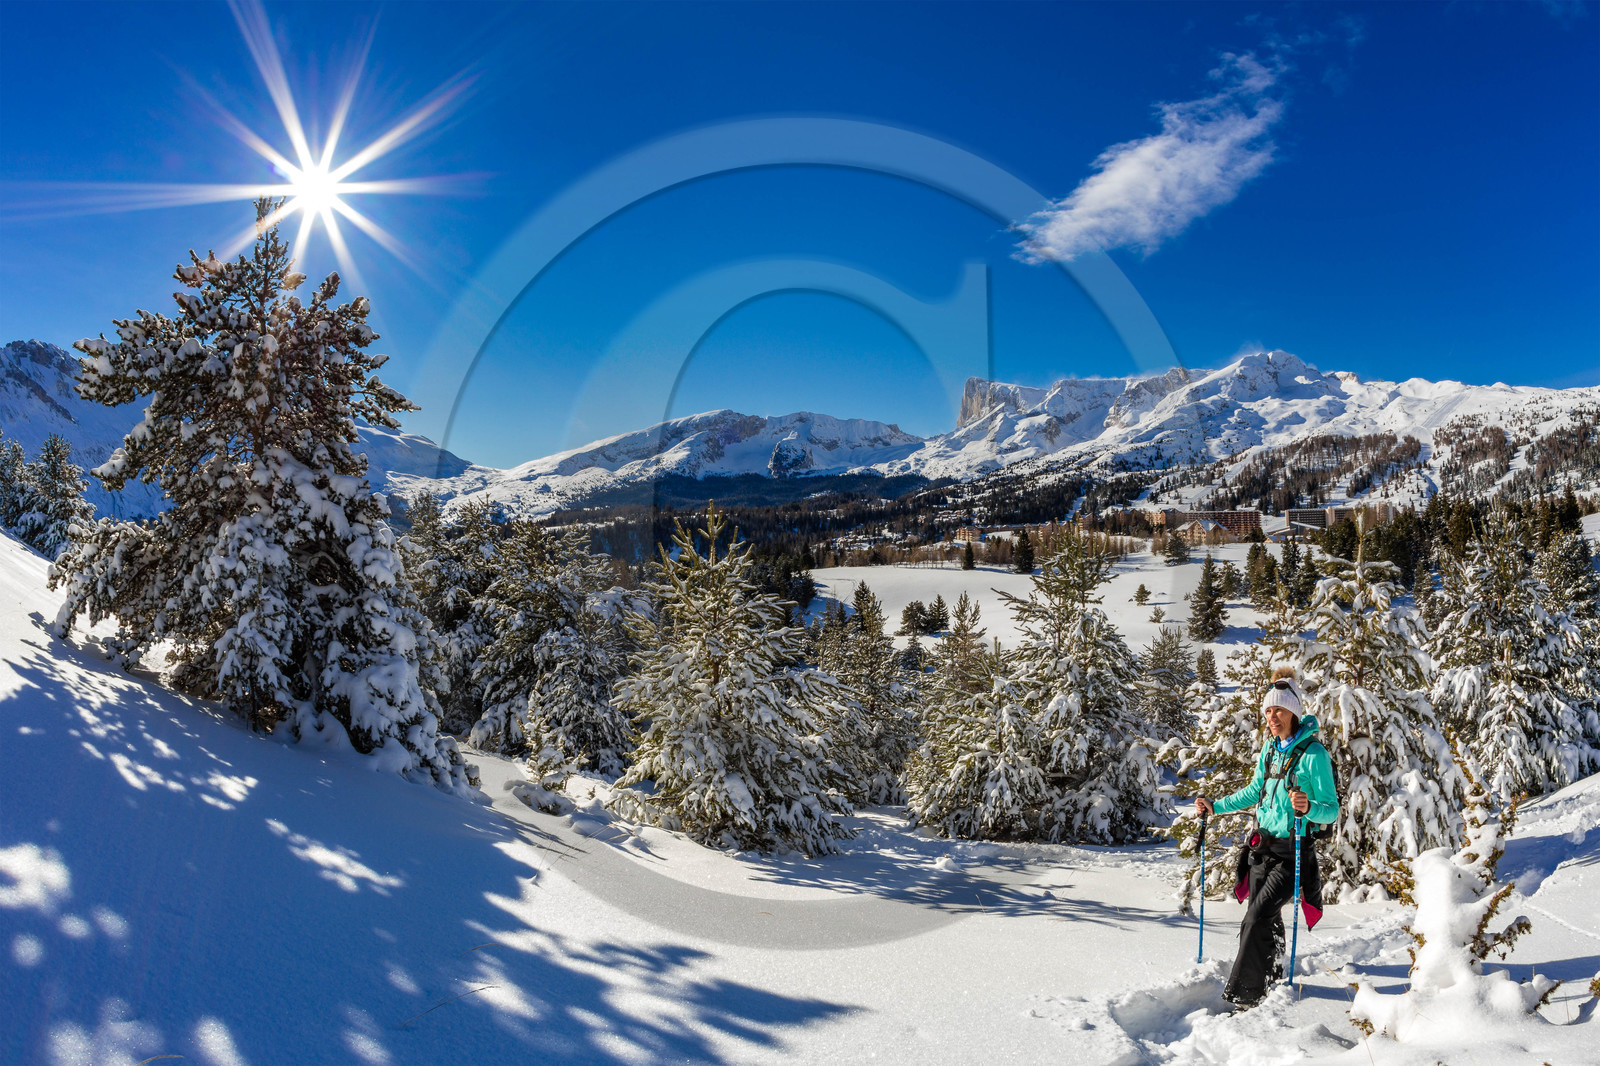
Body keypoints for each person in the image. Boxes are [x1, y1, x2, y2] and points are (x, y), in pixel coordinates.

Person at [1195, 665, 1338, 1008]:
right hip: (1262, 849)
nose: (1273, 717)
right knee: (1264, 918)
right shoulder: (1270, 750)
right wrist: (1216, 805)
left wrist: (1308, 808)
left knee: (1256, 919)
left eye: (1280, 710)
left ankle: (1246, 996)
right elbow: (1253, 791)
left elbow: (1331, 809)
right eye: (1269, 710)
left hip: (1293, 852)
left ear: (1294, 713)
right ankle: (1271, 975)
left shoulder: (1314, 754)